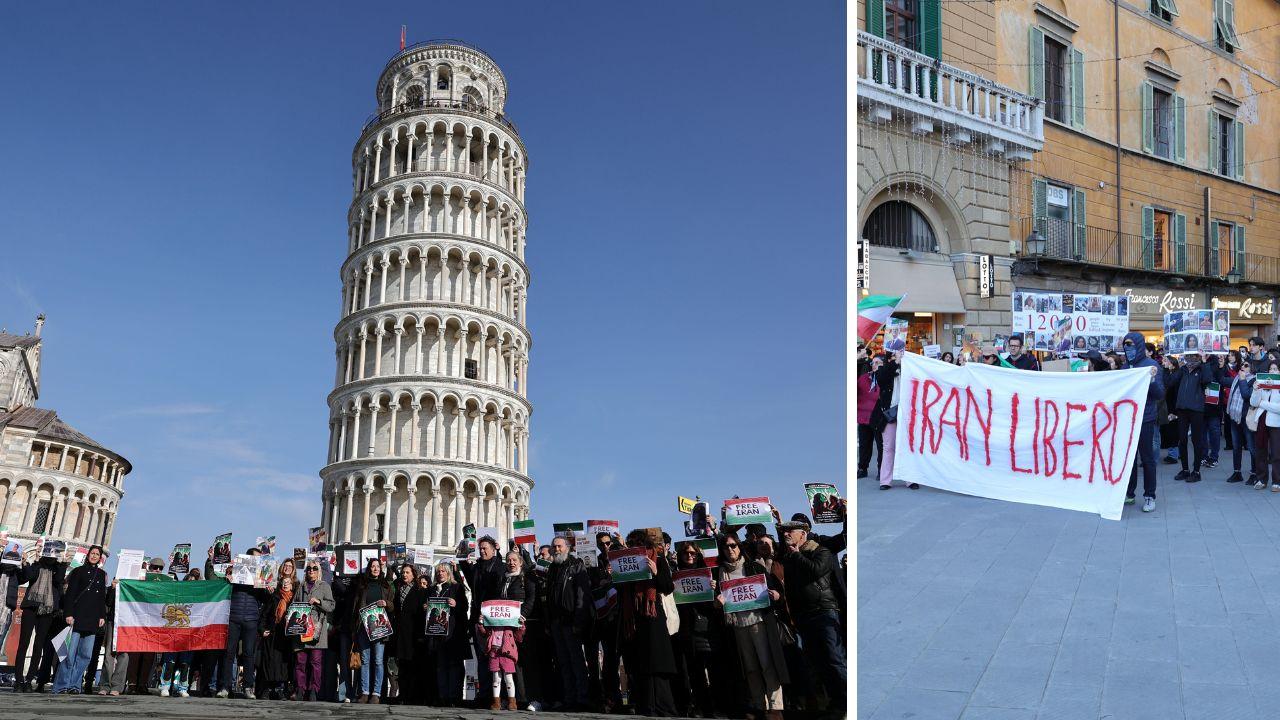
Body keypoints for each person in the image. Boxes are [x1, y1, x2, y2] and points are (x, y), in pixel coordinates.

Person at [716, 530, 788, 715]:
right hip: (737, 625)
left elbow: (776, 591)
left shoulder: (755, 567)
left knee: (767, 664)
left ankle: (775, 706)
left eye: (733, 545)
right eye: (726, 547)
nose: (730, 549)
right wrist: (718, 603)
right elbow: (717, 603)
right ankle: (759, 704)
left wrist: (776, 595)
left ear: (739, 547)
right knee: (750, 668)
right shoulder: (720, 573)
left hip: (759, 621)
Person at [777, 518, 846, 714]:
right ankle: (835, 702)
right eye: (784, 532)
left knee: (834, 659)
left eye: (791, 531)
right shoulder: (788, 558)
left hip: (824, 612)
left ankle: (847, 700)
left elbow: (816, 570)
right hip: (804, 616)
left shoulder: (821, 551)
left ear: (803, 534)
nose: (786, 534)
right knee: (818, 662)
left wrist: (797, 555)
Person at [616, 529, 678, 717]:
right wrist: (615, 574)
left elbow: (668, 587)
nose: (635, 549)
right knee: (640, 664)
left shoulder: (658, 558)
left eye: (637, 545)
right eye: (631, 545)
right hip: (634, 619)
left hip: (652, 616)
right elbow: (621, 590)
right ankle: (646, 706)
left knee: (657, 664)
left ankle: (663, 706)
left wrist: (656, 571)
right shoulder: (627, 563)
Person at [672, 539, 726, 718]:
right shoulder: (676, 575)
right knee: (695, 672)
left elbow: (718, 602)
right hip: (686, 627)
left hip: (707, 626)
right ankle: (703, 707)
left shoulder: (708, 574)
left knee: (714, 669)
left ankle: (718, 706)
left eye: (693, 553)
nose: (689, 556)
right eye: (686, 553)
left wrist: (713, 588)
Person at [52, 545, 108, 694]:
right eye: (92, 553)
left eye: (97, 554)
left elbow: (101, 597)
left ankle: (75, 685)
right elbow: (70, 594)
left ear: (100, 557)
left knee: (85, 655)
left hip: (93, 619)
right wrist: (68, 614)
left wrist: (102, 615)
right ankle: (62, 685)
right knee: (69, 655)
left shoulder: (102, 574)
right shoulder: (78, 571)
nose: (94, 556)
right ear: (88, 555)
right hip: (76, 617)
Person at [1121, 332, 1165, 512]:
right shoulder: (1124, 367)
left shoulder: (1151, 365)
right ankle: (1129, 493)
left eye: (1131, 344)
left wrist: (1152, 379)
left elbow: (1159, 394)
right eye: (1126, 345)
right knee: (1128, 459)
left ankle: (1149, 496)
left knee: (1147, 459)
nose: (1128, 348)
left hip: (1145, 419)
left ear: (1139, 345)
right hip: (1127, 420)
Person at [546, 535, 591, 710]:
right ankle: (569, 698)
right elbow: (549, 597)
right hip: (556, 622)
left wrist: (579, 620)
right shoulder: (553, 568)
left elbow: (582, 596)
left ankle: (582, 698)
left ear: (568, 547)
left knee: (576, 661)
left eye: (559, 547)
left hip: (571, 621)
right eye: (554, 547)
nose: (556, 550)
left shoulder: (576, 565)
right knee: (563, 662)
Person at [463, 536, 507, 707]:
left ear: (493, 549)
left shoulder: (500, 567)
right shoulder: (476, 568)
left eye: (485, 548)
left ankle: (498, 695)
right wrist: (463, 559)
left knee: (495, 656)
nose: (482, 551)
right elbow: (469, 579)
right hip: (478, 616)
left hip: (495, 617)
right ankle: (484, 693)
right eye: (480, 548)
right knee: (481, 657)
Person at [13, 552, 65, 692]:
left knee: (38, 645)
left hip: (47, 610)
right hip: (31, 606)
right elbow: (27, 577)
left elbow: (59, 580)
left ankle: (29, 680)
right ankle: (18, 680)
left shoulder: (57, 568)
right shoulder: (37, 565)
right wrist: (34, 561)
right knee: (24, 643)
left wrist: (62, 562)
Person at [220, 548, 267, 699]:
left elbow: (265, 599)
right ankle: (225, 687)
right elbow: (224, 588)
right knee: (229, 653)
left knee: (248, 654)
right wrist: (227, 578)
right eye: (255, 558)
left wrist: (266, 586)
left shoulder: (262, 577)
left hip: (251, 619)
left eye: (260, 559)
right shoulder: (237, 572)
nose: (257, 561)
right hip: (233, 616)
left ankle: (248, 687)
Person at [425, 562, 470, 706]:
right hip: (436, 634)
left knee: (454, 666)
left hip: (452, 634)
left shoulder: (456, 587)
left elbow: (464, 607)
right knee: (440, 666)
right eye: (438, 572)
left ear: (448, 573)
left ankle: (454, 697)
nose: (440, 574)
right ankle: (442, 696)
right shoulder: (432, 589)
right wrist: (426, 607)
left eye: (443, 571)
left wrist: (456, 604)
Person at [350, 557, 393, 703]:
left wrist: (386, 603)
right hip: (364, 626)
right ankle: (364, 692)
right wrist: (355, 626)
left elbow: (393, 606)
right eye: (373, 566)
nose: (376, 569)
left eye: (378, 567)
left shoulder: (386, 586)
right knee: (365, 660)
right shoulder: (363, 585)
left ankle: (376, 693)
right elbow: (355, 605)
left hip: (380, 627)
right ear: (369, 569)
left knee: (379, 661)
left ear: (381, 570)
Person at [292, 560, 334, 702]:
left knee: (316, 662)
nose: (311, 570)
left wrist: (319, 602)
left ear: (319, 571)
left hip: (317, 630)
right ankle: (300, 689)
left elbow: (331, 606)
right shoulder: (301, 586)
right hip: (301, 629)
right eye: (309, 568)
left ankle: (314, 690)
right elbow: (293, 605)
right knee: (300, 662)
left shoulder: (324, 586)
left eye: (315, 568)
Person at [476, 594, 526, 711]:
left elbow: (519, 637)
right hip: (494, 652)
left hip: (507, 653)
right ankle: (496, 702)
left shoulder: (510, 626)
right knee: (496, 678)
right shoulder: (492, 625)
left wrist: (521, 625)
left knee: (508, 678)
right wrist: (481, 623)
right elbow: (484, 633)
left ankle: (512, 701)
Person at [1171, 352, 1214, 483]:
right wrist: (1177, 366)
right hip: (1182, 409)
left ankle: (1196, 471)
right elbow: (1172, 382)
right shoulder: (1183, 369)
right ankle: (1185, 470)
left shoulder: (1202, 368)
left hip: (1196, 410)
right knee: (1182, 440)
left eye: (1193, 356)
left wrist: (1205, 362)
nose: (1190, 358)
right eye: (1188, 356)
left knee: (1197, 441)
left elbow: (1208, 380)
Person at [256, 573, 295, 700]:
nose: (285, 584)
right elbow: (264, 615)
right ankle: (267, 689)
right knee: (269, 662)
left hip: (287, 636)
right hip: (273, 634)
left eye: (288, 582)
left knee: (283, 664)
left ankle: (280, 689)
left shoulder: (294, 599)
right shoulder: (274, 597)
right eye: (283, 582)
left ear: (292, 584)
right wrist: (262, 630)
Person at [390, 564, 425, 705]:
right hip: (400, 633)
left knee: (412, 665)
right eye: (403, 572)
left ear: (413, 575)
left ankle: (412, 694)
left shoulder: (419, 591)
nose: (404, 575)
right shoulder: (398, 590)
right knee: (402, 665)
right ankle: (402, 693)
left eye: (407, 572)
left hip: (413, 633)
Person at [1227, 359, 1258, 484]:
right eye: (1242, 365)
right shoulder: (1237, 378)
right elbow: (1223, 381)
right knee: (1236, 446)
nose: (1242, 367)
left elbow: (1247, 395)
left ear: (1252, 368)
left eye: (1246, 366)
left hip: (1247, 417)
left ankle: (1255, 474)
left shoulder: (1254, 380)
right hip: (1235, 416)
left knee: (1251, 447)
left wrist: (1242, 379)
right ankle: (1237, 472)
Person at [1251, 360, 1280, 492]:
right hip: (1261, 422)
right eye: (1271, 369)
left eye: (1275, 369)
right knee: (1260, 451)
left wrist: (1263, 404)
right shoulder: (1263, 383)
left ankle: (1277, 481)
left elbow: (1279, 408)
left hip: (1276, 423)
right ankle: (1262, 479)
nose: (1273, 371)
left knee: (1276, 453)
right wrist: (1256, 390)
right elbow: (1254, 402)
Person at [856, 355, 883, 479]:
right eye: (873, 362)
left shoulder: (885, 379)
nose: (875, 364)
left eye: (878, 362)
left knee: (880, 445)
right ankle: (862, 468)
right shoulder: (863, 378)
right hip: (863, 416)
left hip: (878, 417)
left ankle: (881, 470)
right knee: (864, 444)